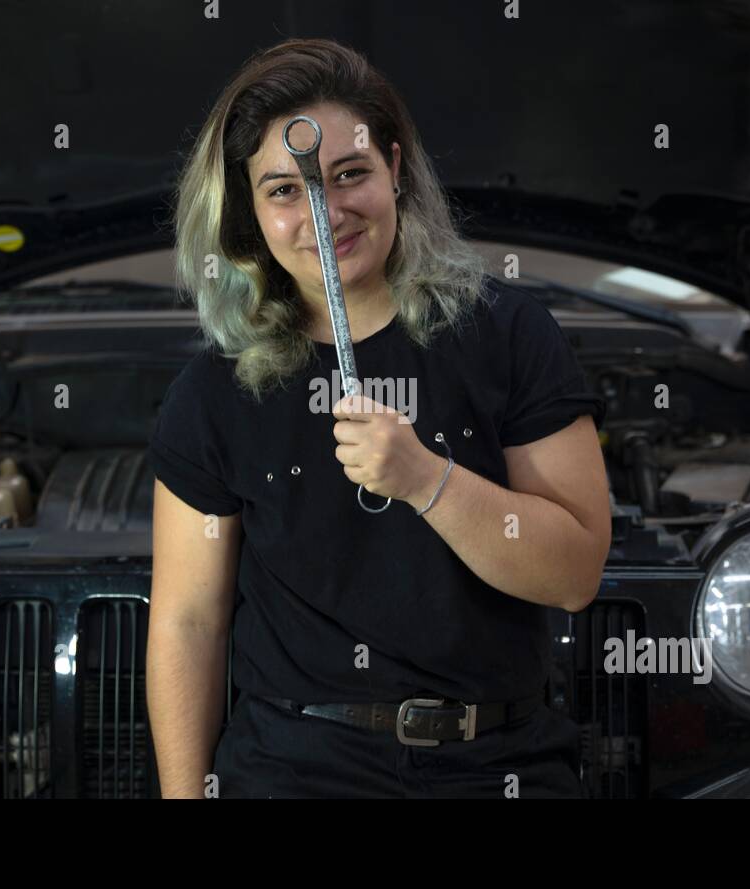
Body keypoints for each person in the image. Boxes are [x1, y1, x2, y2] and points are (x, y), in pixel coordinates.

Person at [146, 37, 611, 799]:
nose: (324, 214)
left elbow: (574, 574)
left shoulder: (510, 337)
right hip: (293, 770)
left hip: (497, 765)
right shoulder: (214, 392)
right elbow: (189, 622)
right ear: (249, 211)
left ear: (396, 169)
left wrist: (426, 478)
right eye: (285, 191)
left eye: (350, 174)